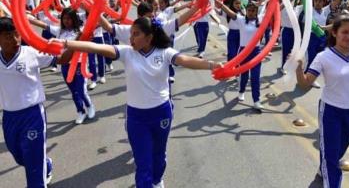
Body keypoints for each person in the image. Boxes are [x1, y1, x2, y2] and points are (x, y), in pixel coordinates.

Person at [50, 16, 222, 188]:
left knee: (159, 155)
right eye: (131, 34)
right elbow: (97, 47)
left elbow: (185, 60)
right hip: (136, 118)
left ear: (149, 37)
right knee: (143, 162)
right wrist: (67, 43)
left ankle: (157, 180)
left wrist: (211, 65)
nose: (131, 38)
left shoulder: (164, 53)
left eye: (136, 34)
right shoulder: (127, 53)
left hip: (161, 113)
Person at [0, 17, 73, 187]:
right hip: (10, 117)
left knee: (33, 166)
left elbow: (61, 59)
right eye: (8, 36)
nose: (15, 39)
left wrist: (77, 43)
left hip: (32, 115)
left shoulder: (31, 53)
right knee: (20, 156)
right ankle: (45, 163)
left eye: (17, 34)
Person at [295, 14, 349, 188]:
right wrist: (298, 69)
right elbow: (305, 83)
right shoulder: (324, 57)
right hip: (331, 111)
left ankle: (321, 170)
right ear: (335, 33)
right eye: (345, 32)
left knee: (338, 150)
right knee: (332, 159)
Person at [29, 7, 96, 124]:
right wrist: (29, 19)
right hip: (65, 64)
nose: (66, 21)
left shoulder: (80, 31)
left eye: (69, 19)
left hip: (79, 64)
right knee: (73, 91)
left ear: (74, 19)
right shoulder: (59, 31)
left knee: (80, 89)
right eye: (64, 18)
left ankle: (89, 105)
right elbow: (44, 25)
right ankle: (81, 111)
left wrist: (88, 35)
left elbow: (91, 33)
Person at [216, 0, 265, 110]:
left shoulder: (260, 19)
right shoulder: (241, 20)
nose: (251, 12)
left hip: (256, 52)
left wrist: (284, 1)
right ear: (246, 11)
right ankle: (241, 91)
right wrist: (222, 5)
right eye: (249, 10)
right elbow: (230, 13)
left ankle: (256, 100)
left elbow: (274, 10)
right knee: (244, 76)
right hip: (243, 52)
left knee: (255, 77)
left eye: (253, 11)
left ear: (256, 12)